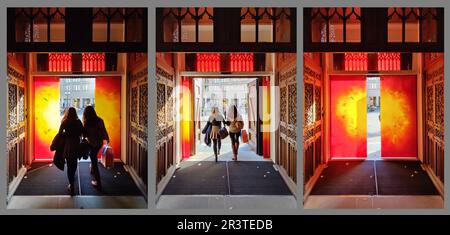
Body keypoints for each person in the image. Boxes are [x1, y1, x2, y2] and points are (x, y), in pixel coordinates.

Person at [57, 107, 83, 196]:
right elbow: (82, 133)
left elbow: (60, 133)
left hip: (68, 146)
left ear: (67, 113)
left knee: (69, 166)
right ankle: (72, 180)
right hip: (76, 145)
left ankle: (71, 185)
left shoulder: (65, 122)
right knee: (74, 164)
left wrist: (65, 134)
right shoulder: (78, 122)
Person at [82, 106, 109, 189]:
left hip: (91, 143)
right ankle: (92, 169)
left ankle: (98, 183)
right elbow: (104, 131)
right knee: (93, 155)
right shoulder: (100, 120)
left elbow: (84, 135)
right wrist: (107, 140)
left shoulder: (87, 123)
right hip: (99, 143)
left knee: (94, 160)